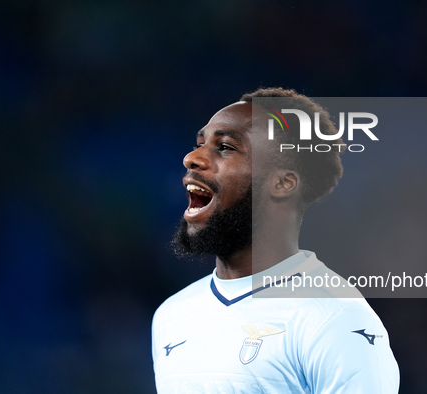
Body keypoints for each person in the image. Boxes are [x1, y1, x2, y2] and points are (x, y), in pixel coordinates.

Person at [152, 88, 399, 393]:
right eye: (200, 144)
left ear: (282, 183)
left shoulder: (333, 317)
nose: (192, 158)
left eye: (225, 147)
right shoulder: (172, 315)